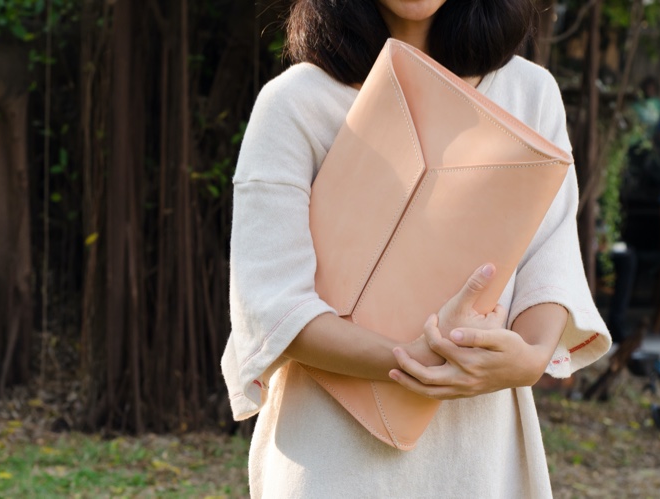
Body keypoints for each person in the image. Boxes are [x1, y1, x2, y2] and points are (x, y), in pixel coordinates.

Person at [221, 1, 611, 497]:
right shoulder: (295, 102)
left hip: (479, 456)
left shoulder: (528, 92)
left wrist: (529, 358)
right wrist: (419, 358)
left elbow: (550, 261)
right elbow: (274, 306)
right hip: (332, 457)